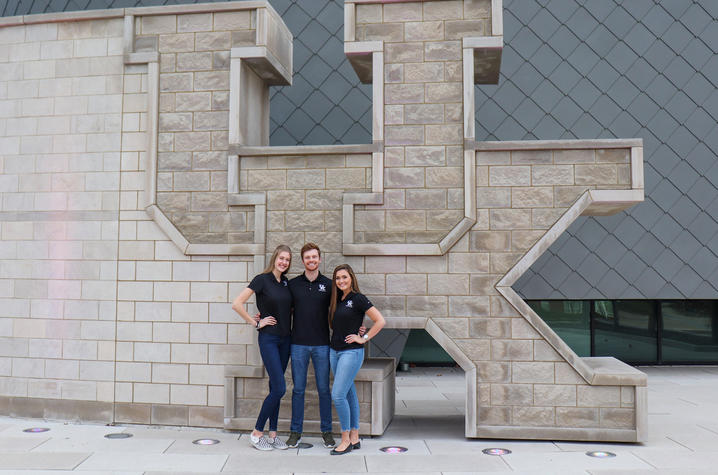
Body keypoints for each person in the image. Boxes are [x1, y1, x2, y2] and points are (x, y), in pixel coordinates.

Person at [232, 244, 293, 451]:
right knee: (280, 388)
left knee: (274, 388)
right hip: (269, 340)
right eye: (281, 258)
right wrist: (256, 322)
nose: (284, 262)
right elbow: (237, 303)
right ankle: (257, 433)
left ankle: (273, 434)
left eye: (287, 260)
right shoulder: (262, 279)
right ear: (274, 258)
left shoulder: (285, 283)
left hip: (286, 341)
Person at [328, 264, 385, 455]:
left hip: (351, 352)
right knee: (348, 392)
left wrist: (364, 337)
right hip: (334, 351)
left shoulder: (358, 298)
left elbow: (380, 321)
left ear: (351, 278)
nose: (341, 281)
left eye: (344, 277)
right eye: (337, 278)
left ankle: (345, 440)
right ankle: (355, 435)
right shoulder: (338, 299)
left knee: (337, 395)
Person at [286, 243, 336, 449]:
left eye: (314, 257)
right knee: (298, 389)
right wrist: (262, 315)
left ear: (320, 259)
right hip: (298, 344)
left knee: (324, 389)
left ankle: (327, 432)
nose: (311, 260)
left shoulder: (330, 284)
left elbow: (341, 310)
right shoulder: (293, 284)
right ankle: (295, 432)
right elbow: (281, 307)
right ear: (303, 260)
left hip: (322, 345)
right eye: (307, 258)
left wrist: (359, 327)